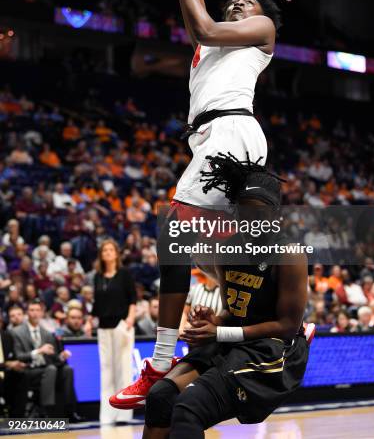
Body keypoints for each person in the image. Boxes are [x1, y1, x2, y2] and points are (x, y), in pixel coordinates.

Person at [110, 0, 281, 407]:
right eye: (236, 0)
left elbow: (203, 18)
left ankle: (160, 360)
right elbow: (194, 0)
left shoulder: (262, 34)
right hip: (211, 138)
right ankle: (291, 321)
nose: (240, 5)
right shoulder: (207, 51)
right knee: (224, 250)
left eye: (248, 2)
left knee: (174, 231)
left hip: (233, 132)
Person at [139, 153, 314, 437]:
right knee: (160, 397)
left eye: (257, 214)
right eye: (243, 212)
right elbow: (234, 311)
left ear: (275, 214)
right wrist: (215, 320)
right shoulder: (227, 249)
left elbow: (287, 326)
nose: (249, 221)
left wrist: (220, 333)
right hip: (233, 340)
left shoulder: (289, 254)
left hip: (270, 350)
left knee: (188, 409)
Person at [85, 239, 136, 424]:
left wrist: (131, 318)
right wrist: (90, 320)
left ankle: (124, 414)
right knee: (106, 371)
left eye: (110, 250)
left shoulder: (124, 274)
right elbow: (97, 303)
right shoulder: (97, 276)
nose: (107, 252)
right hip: (103, 327)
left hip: (122, 325)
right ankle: (107, 415)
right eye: (104, 250)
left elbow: (133, 298)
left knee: (123, 369)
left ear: (116, 253)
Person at [12, 299, 79, 420]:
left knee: (67, 369)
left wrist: (61, 356)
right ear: (27, 313)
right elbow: (18, 356)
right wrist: (39, 351)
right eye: (32, 310)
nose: (35, 313)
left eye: (38, 310)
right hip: (28, 369)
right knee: (51, 369)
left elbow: (53, 357)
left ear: (42, 313)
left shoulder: (47, 333)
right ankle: (46, 410)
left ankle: (70, 410)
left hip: (47, 369)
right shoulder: (16, 332)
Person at [0, 324, 28, 417]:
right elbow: (7, 363)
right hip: (3, 369)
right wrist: (7, 364)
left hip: (6, 373)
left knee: (21, 376)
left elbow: (14, 356)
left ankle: (17, 420)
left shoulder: (7, 336)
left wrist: (18, 364)